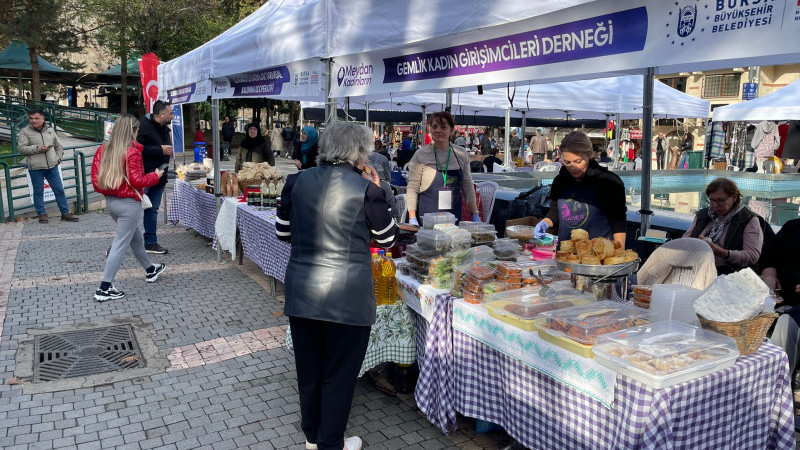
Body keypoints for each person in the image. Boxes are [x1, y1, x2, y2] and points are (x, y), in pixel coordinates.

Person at [275, 121, 398, 450]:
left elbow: (283, 233)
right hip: (348, 297)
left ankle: (313, 437)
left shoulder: (296, 181)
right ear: (359, 153)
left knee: (310, 372)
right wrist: (380, 191)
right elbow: (387, 239)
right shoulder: (367, 189)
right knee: (339, 376)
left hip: (303, 290)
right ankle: (331, 443)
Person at [91, 114, 166, 301]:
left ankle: (150, 269)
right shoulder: (132, 152)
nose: (138, 133)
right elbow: (137, 180)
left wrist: (112, 191)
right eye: (137, 130)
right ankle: (104, 287)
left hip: (111, 201)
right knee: (120, 244)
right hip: (128, 204)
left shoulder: (103, 149)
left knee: (136, 238)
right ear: (132, 130)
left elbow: (95, 179)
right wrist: (155, 176)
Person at [534, 131, 627, 247]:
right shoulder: (560, 181)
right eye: (567, 162)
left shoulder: (609, 182)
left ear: (589, 154)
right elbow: (555, 211)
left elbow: (618, 221)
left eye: (578, 161)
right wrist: (545, 222)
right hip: (567, 253)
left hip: (598, 255)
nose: (573, 167)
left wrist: (619, 251)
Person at [405, 111, 480, 226]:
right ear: (430, 129)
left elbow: (467, 185)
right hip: (427, 219)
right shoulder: (420, 155)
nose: (438, 130)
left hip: (453, 217)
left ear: (451, 130)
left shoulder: (461, 153)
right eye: (434, 126)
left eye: (443, 127)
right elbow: (412, 188)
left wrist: (475, 214)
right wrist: (412, 217)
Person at [683, 177, 763, 275]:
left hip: (729, 275)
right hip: (697, 269)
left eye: (721, 200)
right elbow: (685, 239)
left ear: (734, 198)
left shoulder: (748, 219)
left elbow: (752, 256)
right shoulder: (703, 214)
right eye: (712, 200)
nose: (716, 205)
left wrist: (723, 253)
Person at [17, 109, 79, 223]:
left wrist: (58, 158)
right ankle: (42, 214)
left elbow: (58, 147)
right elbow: (21, 148)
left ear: (43, 119)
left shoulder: (50, 130)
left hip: (52, 167)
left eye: (36, 118)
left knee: (59, 190)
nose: (33, 121)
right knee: (38, 191)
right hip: (36, 168)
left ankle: (65, 213)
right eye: (31, 118)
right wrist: (38, 148)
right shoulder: (25, 132)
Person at [759, 218, 800, 379]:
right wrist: (770, 274)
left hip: (795, 311)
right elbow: (769, 255)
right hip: (779, 295)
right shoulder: (792, 226)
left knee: (787, 323)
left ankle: (777, 382)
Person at [137, 100, 172, 254]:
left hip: (159, 177)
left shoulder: (165, 129)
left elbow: (167, 155)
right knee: (133, 211)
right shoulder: (144, 126)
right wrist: (159, 150)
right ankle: (120, 244)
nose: (172, 116)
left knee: (153, 209)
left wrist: (164, 179)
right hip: (144, 176)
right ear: (162, 114)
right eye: (170, 113)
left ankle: (150, 242)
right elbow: (137, 149)